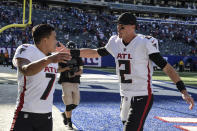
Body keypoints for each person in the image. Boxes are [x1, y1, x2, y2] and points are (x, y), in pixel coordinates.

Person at [58, 12, 195, 131]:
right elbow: (96, 53)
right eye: (118, 25)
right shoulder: (114, 42)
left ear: (132, 27)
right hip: (125, 96)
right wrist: (70, 52)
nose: (119, 28)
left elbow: (167, 67)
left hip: (142, 95)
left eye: (122, 26)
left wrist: (182, 90)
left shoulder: (144, 43)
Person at [11, 24, 71, 131]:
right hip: (26, 113)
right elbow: (25, 70)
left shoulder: (53, 57)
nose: (56, 41)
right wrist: (49, 60)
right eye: (54, 38)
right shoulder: (27, 49)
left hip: (46, 116)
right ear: (45, 40)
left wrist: (68, 55)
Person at [58, 41, 83, 130]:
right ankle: (69, 122)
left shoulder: (78, 58)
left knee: (76, 103)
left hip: (75, 81)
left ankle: (64, 114)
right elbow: (58, 70)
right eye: (70, 49)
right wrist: (66, 68)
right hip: (65, 81)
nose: (71, 51)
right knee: (68, 103)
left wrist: (75, 74)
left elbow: (81, 71)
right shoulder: (62, 57)